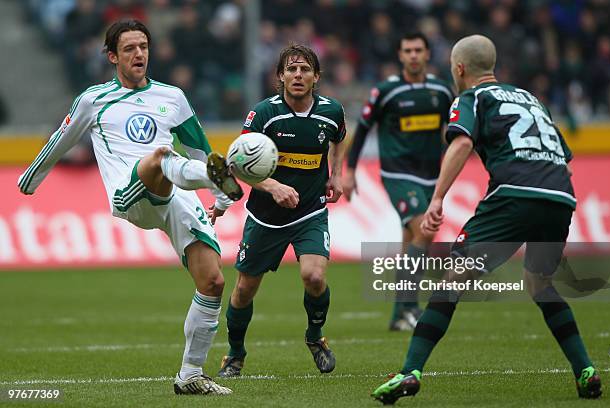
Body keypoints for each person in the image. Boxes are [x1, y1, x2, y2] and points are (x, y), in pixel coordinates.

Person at [17, 19, 243, 396]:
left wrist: (220, 197)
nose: (139, 54)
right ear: (112, 56)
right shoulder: (93, 100)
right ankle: (206, 177)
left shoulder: (172, 97)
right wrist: (30, 180)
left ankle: (190, 374)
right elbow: (61, 139)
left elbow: (202, 148)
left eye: (144, 46)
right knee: (159, 156)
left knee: (214, 281)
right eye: (129, 48)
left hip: (176, 194)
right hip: (130, 192)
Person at [371, 34, 602, 404]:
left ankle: (410, 371)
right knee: (540, 282)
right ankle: (585, 369)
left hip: (514, 194)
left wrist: (437, 199)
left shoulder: (472, 97)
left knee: (451, 280)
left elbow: (461, 143)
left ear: (459, 69)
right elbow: (563, 152)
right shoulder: (530, 98)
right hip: (560, 194)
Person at [217, 44, 347, 377]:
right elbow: (236, 164)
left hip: (310, 212)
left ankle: (315, 337)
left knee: (314, 277)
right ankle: (234, 354)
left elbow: (339, 139)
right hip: (266, 216)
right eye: (291, 69)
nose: (298, 75)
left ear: (316, 76)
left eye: (305, 69)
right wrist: (272, 186)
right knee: (244, 290)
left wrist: (335, 174)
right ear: (280, 76)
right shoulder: (263, 114)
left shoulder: (331, 111)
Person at [343, 32, 454, 331]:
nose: (414, 55)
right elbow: (363, 128)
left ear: (428, 54)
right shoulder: (386, 91)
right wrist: (350, 170)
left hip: (431, 175)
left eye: (419, 49)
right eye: (408, 50)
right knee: (424, 230)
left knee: (412, 242)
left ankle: (398, 315)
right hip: (397, 174)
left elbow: (456, 130)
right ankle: (411, 307)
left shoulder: (442, 91)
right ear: (400, 55)